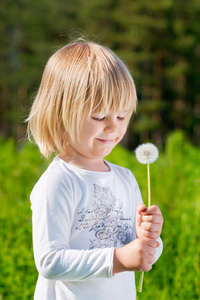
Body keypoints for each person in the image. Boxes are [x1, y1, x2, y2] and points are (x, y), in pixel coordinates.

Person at [27, 40, 164, 300]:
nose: (113, 128)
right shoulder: (59, 182)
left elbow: (141, 254)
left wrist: (150, 239)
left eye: (122, 116)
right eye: (100, 117)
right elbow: (49, 261)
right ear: (60, 114)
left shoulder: (125, 178)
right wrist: (118, 259)